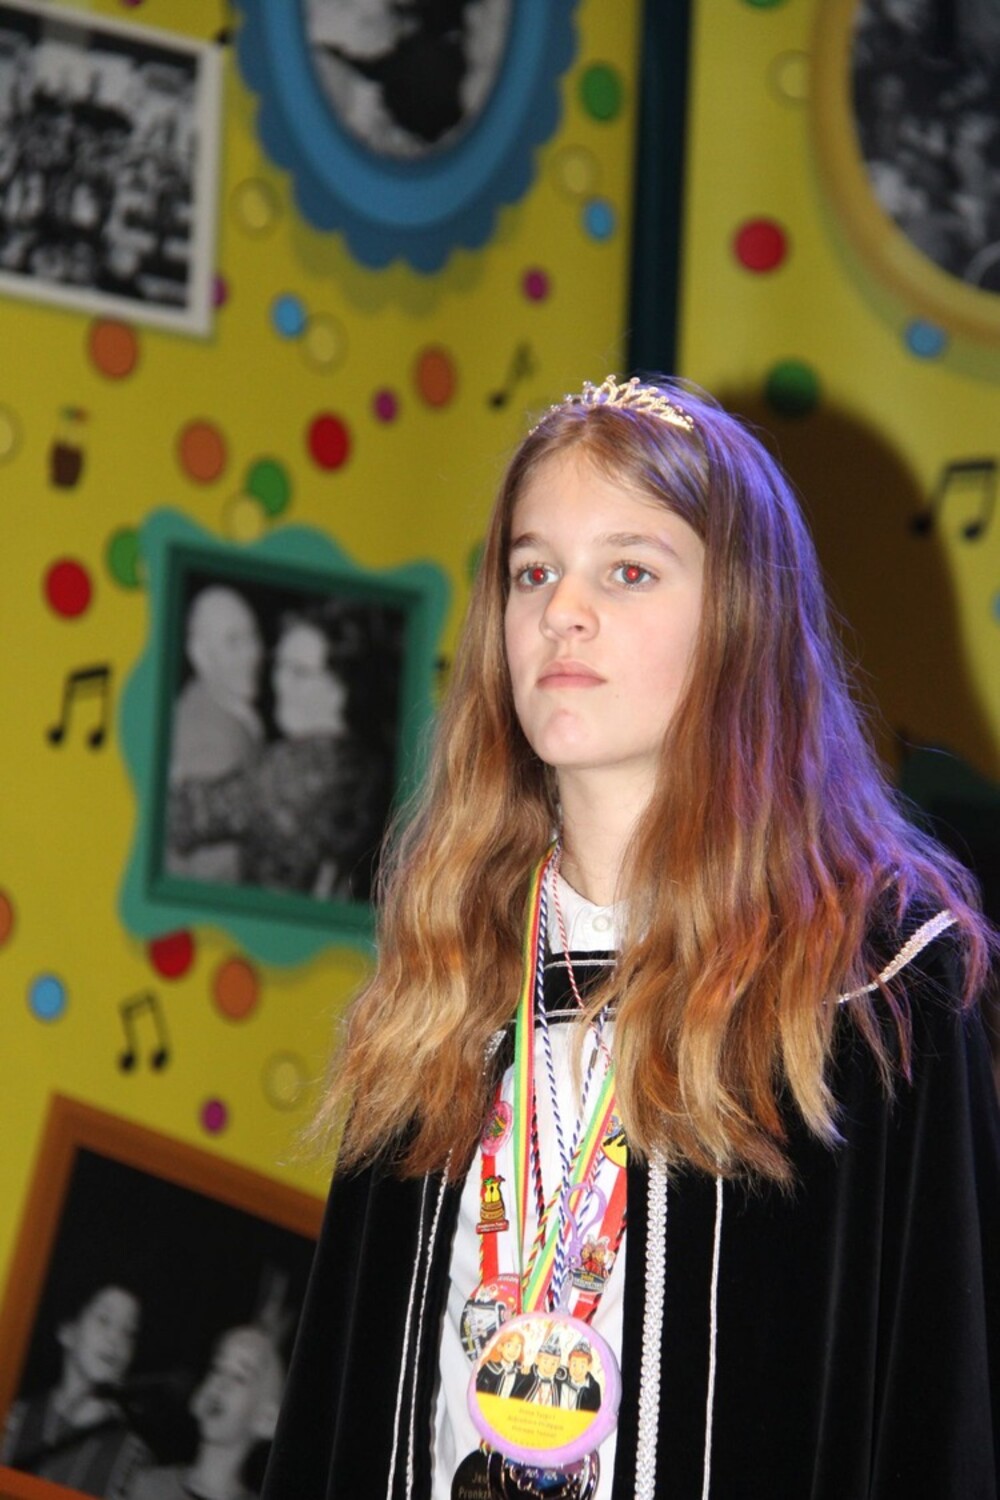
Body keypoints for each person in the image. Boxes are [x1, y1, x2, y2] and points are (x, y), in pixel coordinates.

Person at [261, 376, 1000, 1499]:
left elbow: (939, 1414)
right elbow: (343, 1403)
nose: (562, 609)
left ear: (741, 622)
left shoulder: (872, 981)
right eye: (532, 571)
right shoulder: (450, 965)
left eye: (629, 570)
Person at [168, 601, 380, 899]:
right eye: (280, 664)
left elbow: (180, 817)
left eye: (299, 672)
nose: (280, 681)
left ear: (338, 688)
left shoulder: (292, 771)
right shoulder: (360, 762)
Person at [1, 1283, 150, 1500]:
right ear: (68, 1331)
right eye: (104, 1320)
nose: (116, 1339)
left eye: (128, 1332)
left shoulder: (132, 1459)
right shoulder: (14, 1421)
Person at [166, 586, 264, 884]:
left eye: (253, 636)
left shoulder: (223, 708)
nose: (252, 653)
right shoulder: (207, 735)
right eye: (233, 641)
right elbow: (217, 871)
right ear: (200, 654)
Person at [128, 1326, 284, 1500]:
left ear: (266, 1420)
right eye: (217, 1369)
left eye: (240, 1377)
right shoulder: (145, 1486)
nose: (220, 1383)